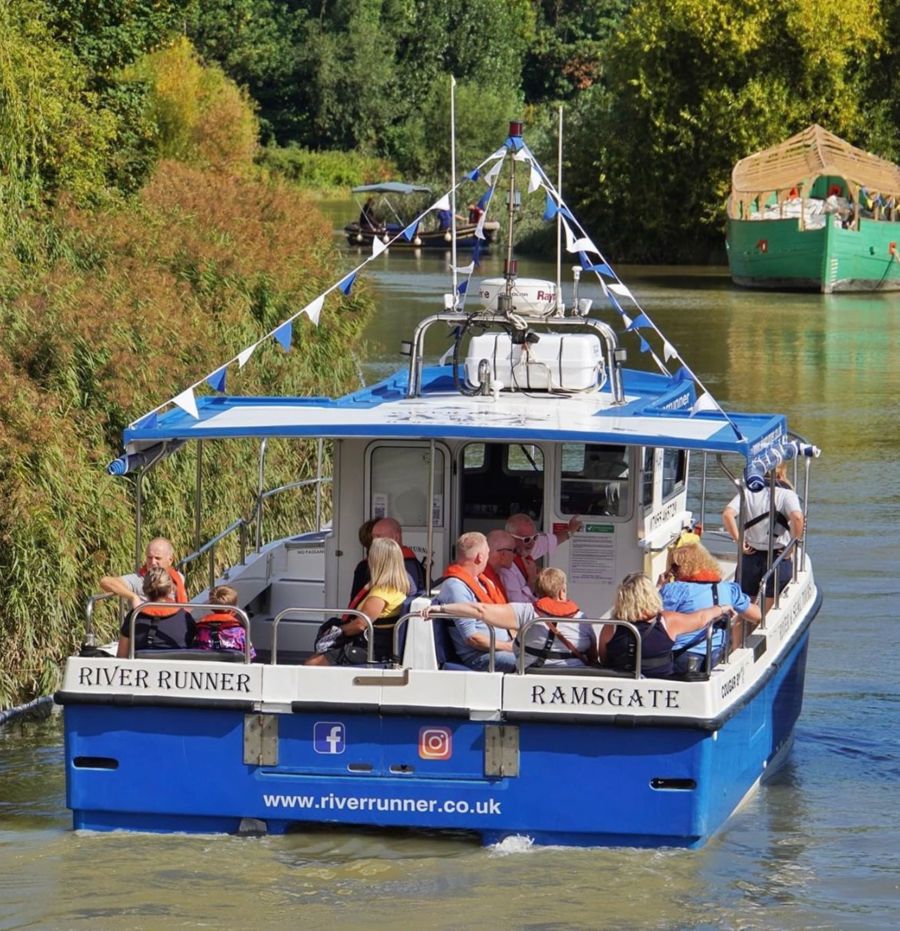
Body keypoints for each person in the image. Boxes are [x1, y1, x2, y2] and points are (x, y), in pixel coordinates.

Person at [426, 567, 596, 670]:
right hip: (573, 677)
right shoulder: (583, 620)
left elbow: (479, 610)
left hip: (531, 676)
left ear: (537, 590)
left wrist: (441, 608)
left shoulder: (526, 612)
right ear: (562, 591)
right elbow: (594, 656)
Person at [599, 573, 734, 678]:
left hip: (620, 684)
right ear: (650, 595)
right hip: (662, 685)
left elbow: (604, 658)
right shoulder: (667, 621)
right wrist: (721, 608)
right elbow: (700, 618)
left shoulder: (611, 626)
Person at [660, 542, 761, 674]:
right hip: (717, 655)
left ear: (683, 568)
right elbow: (757, 615)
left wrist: (661, 588)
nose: (672, 571)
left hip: (682, 657)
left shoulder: (675, 590)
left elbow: (656, 617)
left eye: (674, 567)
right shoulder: (728, 589)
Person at [307, 538, 410, 666]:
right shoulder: (394, 587)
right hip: (378, 644)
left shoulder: (382, 593)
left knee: (313, 663)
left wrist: (336, 631)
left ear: (378, 560)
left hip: (372, 648)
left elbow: (360, 624)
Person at [434, 531, 517, 671]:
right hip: (481, 656)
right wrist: (510, 647)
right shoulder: (456, 587)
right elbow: (472, 638)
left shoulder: (479, 581)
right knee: (530, 661)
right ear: (480, 557)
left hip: (499, 646)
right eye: (488, 553)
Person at [722, 462, 804, 600]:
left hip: (750, 555)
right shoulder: (787, 495)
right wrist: (792, 548)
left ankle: (743, 621)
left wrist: (739, 541)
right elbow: (797, 517)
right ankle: (758, 619)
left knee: (745, 602)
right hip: (777, 555)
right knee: (770, 605)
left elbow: (727, 514)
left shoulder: (747, 492)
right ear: (781, 473)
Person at [499, 512, 583, 603]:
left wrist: (570, 531)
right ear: (510, 538)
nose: (532, 543)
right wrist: (532, 579)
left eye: (535, 537)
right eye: (526, 539)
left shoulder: (526, 549)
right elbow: (518, 606)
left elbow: (551, 541)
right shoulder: (505, 566)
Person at [117, 567, 195, 657]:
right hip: (176, 669)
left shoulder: (134, 617)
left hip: (142, 669)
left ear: (144, 589)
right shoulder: (185, 618)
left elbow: (121, 656)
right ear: (170, 589)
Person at [350, 517, 426, 601]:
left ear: (396, 538)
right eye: (373, 537)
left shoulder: (368, 569)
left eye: (378, 536)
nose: (374, 541)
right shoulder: (413, 563)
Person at [100, 537, 188, 604]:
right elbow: (105, 581)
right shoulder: (138, 580)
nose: (153, 562)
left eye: (158, 558)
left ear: (170, 560)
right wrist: (133, 597)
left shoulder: (179, 577)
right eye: (149, 558)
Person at [194, 585, 254, 658]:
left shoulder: (201, 630)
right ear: (234, 607)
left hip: (208, 667)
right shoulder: (240, 632)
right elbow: (251, 655)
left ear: (212, 606)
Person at [483, 529, 516, 600]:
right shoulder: (483, 579)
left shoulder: (495, 574)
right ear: (503, 554)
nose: (515, 555)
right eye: (513, 551)